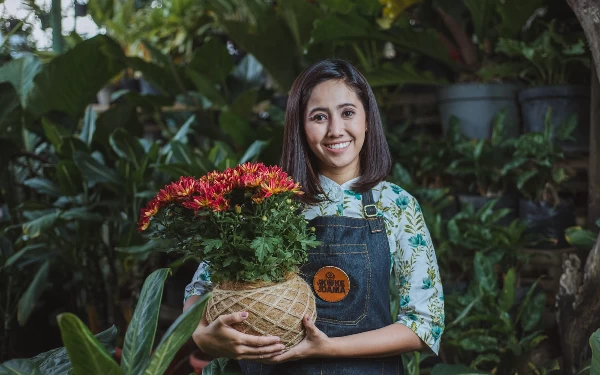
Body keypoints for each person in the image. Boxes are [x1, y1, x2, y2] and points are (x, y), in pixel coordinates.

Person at [183, 59, 444, 374]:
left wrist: (329, 348)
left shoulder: (397, 204)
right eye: (319, 117)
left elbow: (424, 323)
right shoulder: (267, 199)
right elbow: (201, 287)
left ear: (367, 120)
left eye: (348, 113)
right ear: (300, 127)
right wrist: (204, 336)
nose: (336, 130)